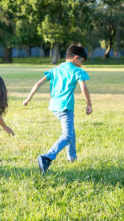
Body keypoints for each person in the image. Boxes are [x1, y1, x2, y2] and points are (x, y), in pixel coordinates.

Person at [23, 44, 92, 175]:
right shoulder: (77, 71)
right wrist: (89, 104)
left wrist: (28, 99)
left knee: (71, 131)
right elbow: (84, 88)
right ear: (76, 58)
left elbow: (38, 83)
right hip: (65, 107)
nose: (81, 64)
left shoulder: (55, 69)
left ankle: (72, 157)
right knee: (67, 135)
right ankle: (47, 157)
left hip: (54, 107)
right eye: (82, 60)